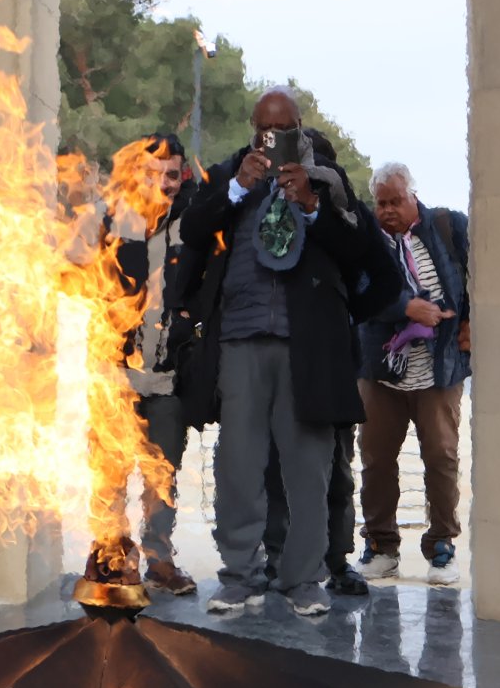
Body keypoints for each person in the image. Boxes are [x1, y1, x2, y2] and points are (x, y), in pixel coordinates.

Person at [175, 89, 398, 618]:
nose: (272, 139)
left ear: (301, 127)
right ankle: (239, 578)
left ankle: (302, 580)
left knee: (307, 471)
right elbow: (193, 227)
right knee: (238, 467)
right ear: (253, 128)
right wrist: (237, 187)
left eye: (284, 128)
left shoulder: (328, 182)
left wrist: (314, 206)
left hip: (309, 349)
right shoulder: (232, 175)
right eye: (263, 129)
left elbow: (364, 252)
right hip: (240, 342)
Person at [262, 130, 368, 596]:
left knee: (331, 469)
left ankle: (327, 557)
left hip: (328, 355)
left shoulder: (339, 215)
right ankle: (292, 558)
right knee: (290, 466)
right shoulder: (267, 211)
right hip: (289, 351)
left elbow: (365, 271)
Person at [355, 162, 471, 586]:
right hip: (380, 370)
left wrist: (471, 321)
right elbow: (359, 292)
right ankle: (381, 546)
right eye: (380, 202)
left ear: (413, 196)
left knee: (441, 457)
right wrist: (404, 308)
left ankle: (442, 548)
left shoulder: (448, 227)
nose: (386, 210)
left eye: (394, 201)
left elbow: (479, 275)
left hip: (440, 370)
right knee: (376, 459)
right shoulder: (365, 239)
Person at [103, 134, 198, 595]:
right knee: (110, 474)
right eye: (155, 172)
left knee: (163, 476)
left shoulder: (192, 223)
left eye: (173, 173)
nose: (166, 182)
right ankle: (112, 559)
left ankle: (159, 559)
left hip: (168, 376)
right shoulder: (110, 217)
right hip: (113, 376)